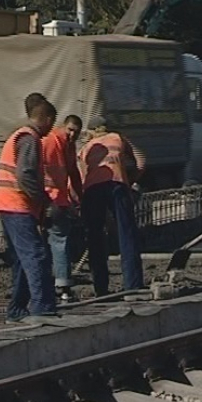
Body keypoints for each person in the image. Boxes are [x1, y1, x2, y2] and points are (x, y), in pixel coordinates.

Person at [0, 99, 58, 323]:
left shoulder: (20, 135)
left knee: (21, 259)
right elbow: (25, 174)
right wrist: (42, 199)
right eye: (52, 122)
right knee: (36, 255)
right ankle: (43, 307)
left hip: (7, 204)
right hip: (17, 205)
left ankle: (17, 309)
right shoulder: (30, 139)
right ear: (47, 119)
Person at [78, 116, 145, 297]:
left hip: (92, 190)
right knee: (127, 234)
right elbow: (141, 161)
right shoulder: (118, 138)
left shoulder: (86, 148)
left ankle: (101, 288)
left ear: (91, 131)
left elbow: (83, 175)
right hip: (117, 185)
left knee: (95, 236)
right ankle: (133, 285)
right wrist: (130, 180)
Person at [42, 114, 84, 301]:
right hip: (50, 199)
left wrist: (79, 199)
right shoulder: (52, 142)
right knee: (59, 241)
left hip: (56, 200)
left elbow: (73, 173)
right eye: (70, 130)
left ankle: (55, 284)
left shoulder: (67, 146)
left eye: (76, 131)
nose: (72, 134)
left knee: (55, 241)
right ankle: (61, 285)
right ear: (63, 127)